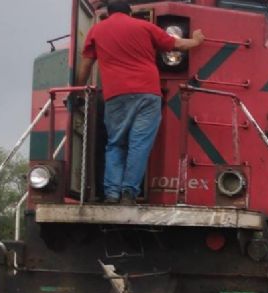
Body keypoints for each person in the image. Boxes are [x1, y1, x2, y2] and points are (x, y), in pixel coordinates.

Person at [76, 0, 205, 204]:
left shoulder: (97, 30)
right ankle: (129, 193)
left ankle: (111, 194)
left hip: (115, 95)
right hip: (148, 93)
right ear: (130, 13)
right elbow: (177, 44)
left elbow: (85, 64)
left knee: (115, 144)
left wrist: (78, 91)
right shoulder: (145, 26)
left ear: (109, 13)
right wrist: (196, 41)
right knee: (139, 145)